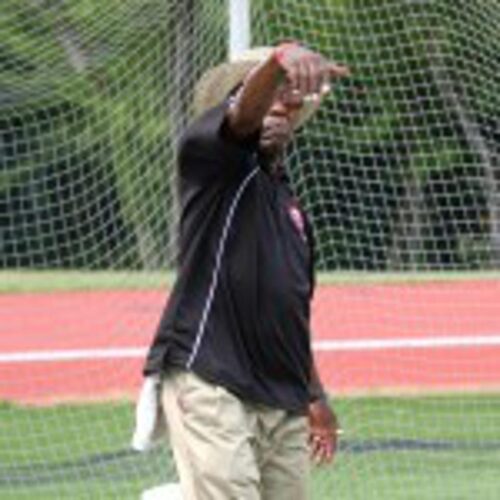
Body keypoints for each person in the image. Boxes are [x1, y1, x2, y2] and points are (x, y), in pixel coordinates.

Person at [135, 42, 350, 500]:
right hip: (210, 375)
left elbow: (291, 314)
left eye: (288, 99)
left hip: (282, 396)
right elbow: (242, 119)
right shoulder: (207, 159)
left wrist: (316, 397)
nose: (277, 107)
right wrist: (279, 61)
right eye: (266, 93)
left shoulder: (291, 211)